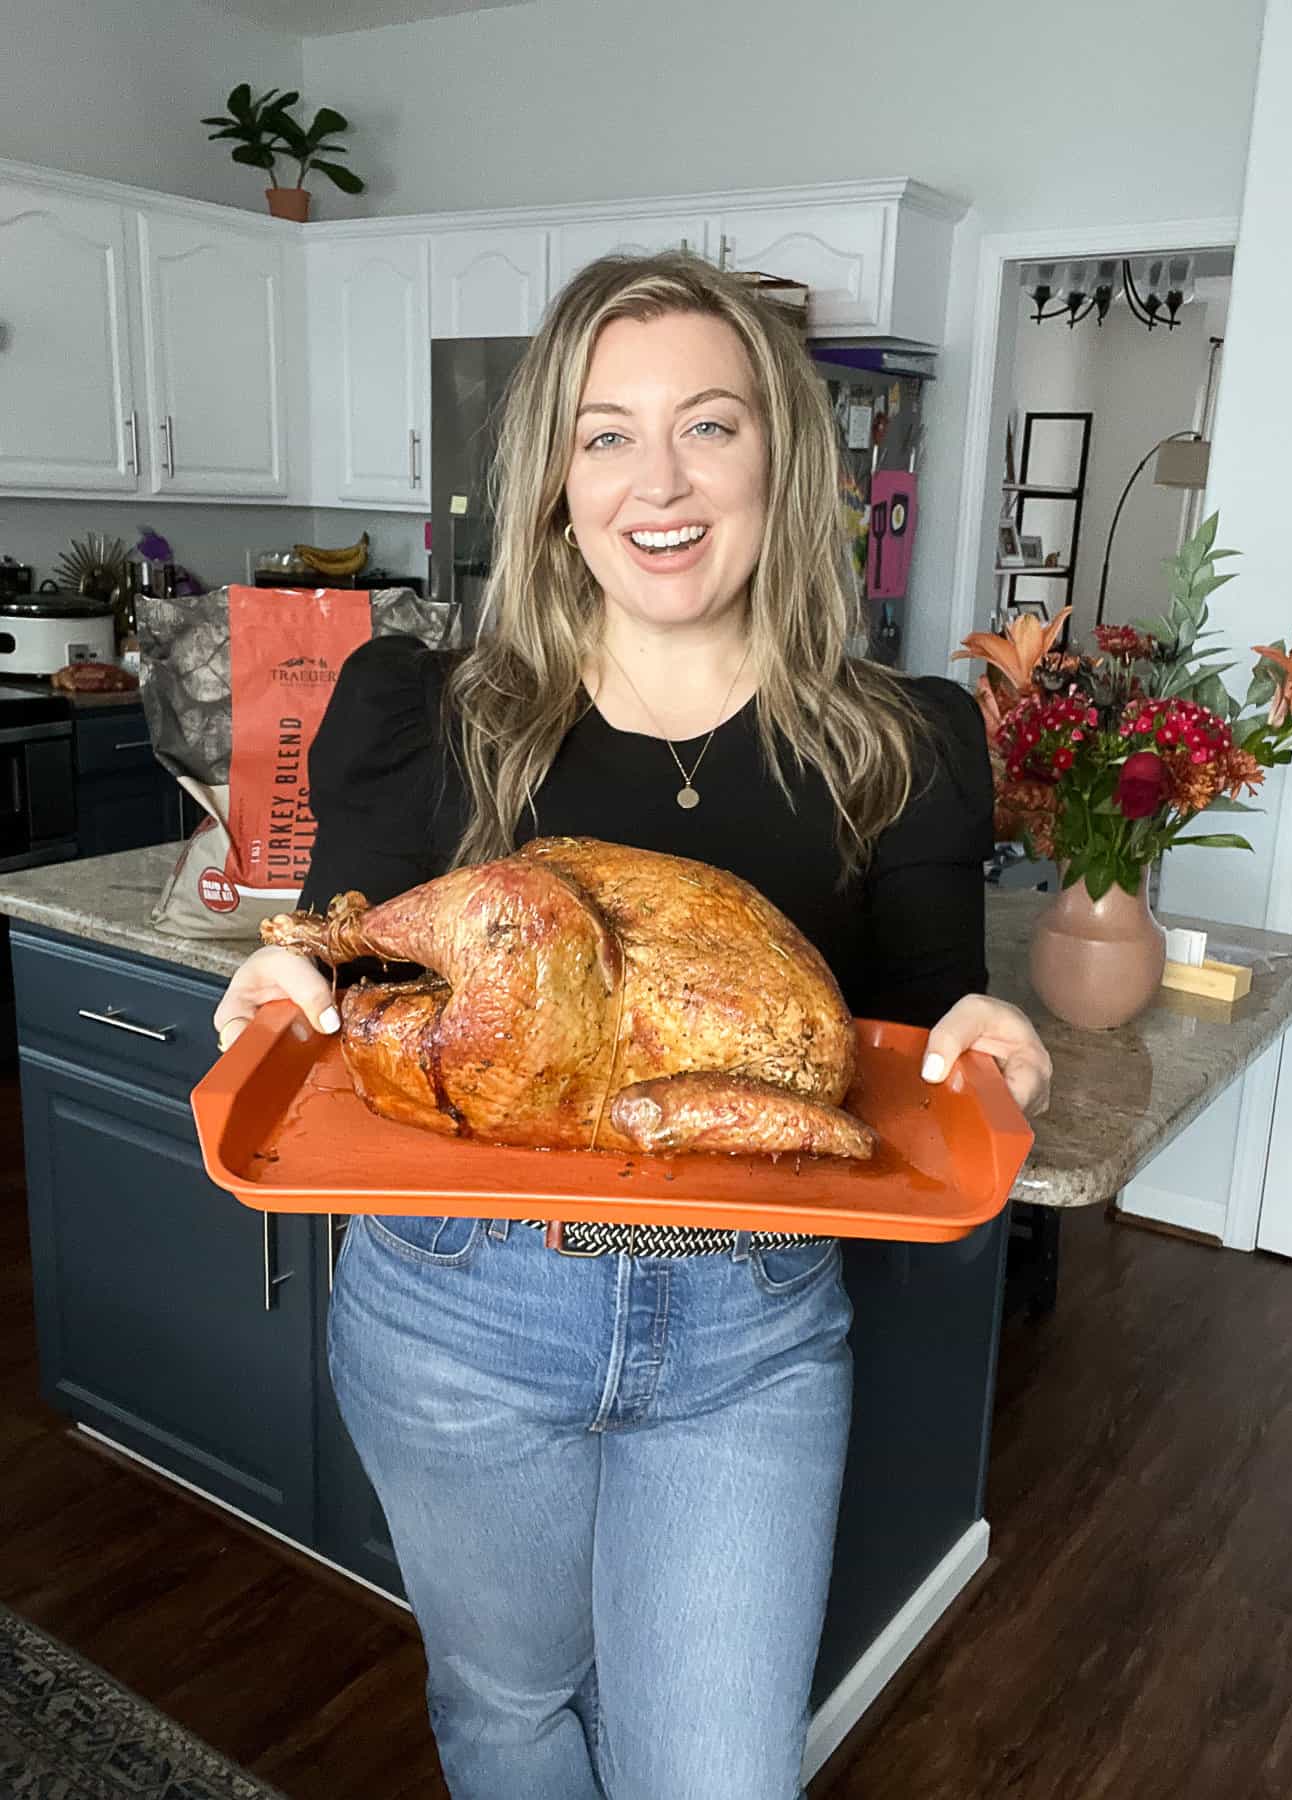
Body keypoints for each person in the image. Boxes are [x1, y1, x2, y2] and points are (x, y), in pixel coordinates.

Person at [213, 252, 1053, 1800]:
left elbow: (919, 1032)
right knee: (511, 1706)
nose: (656, 482)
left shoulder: (905, 741)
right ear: (553, 479)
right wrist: (280, 991)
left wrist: (988, 1035)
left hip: (752, 1329)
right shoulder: (425, 712)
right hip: (461, 1311)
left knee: (719, 1775)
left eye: (708, 427)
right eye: (605, 434)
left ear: (778, 457)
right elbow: (339, 969)